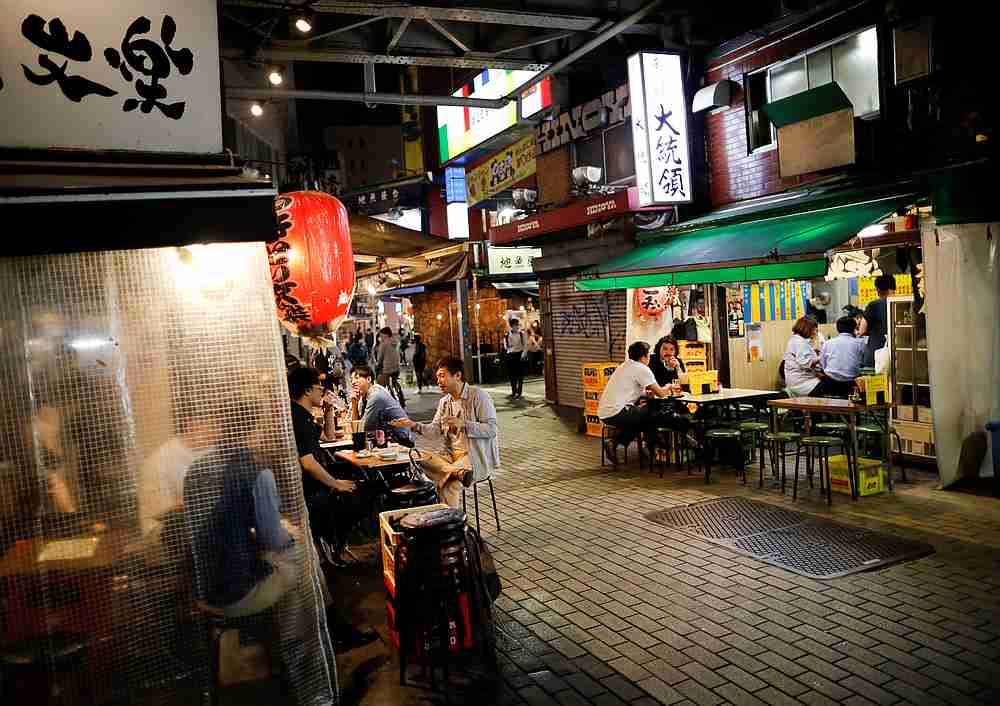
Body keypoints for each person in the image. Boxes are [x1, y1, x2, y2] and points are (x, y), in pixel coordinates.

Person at [183, 404, 376, 651]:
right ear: (253, 432)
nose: (272, 430)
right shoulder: (257, 473)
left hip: (204, 583)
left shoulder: (206, 465)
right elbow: (273, 539)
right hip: (237, 591)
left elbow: (231, 519)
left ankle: (322, 634)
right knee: (306, 562)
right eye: (266, 425)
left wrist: (275, 526)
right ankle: (307, 645)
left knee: (298, 560)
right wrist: (287, 533)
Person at [390, 356, 500, 508]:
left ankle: (450, 526)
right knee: (416, 455)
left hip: (473, 457)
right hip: (451, 457)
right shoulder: (445, 402)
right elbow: (435, 431)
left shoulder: (478, 396)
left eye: (442, 376)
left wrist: (464, 424)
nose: (438, 381)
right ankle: (455, 472)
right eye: (437, 377)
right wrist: (412, 425)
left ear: (458, 375)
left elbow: (492, 429)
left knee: (448, 485)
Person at [288, 367, 366, 565]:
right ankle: (334, 548)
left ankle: (334, 546)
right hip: (312, 492)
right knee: (359, 497)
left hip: (316, 484)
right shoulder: (297, 419)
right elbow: (308, 463)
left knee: (358, 479)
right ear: (306, 390)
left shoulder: (303, 415)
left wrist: (328, 409)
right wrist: (335, 484)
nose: (322, 390)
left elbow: (329, 437)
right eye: (318, 386)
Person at [137, 415, 219, 547]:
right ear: (191, 423)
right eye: (214, 423)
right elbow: (158, 518)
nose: (219, 430)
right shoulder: (159, 460)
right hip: (172, 539)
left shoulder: (216, 451)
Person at [597, 342, 674, 466]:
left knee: (642, 418)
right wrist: (669, 386)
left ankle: (642, 448)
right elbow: (661, 394)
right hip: (617, 412)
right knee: (653, 413)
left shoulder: (625, 365)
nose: (649, 357)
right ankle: (650, 446)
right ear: (643, 357)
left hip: (605, 412)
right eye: (648, 354)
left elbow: (631, 389)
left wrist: (645, 394)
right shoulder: (642, 368)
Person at [351, 365, 413, 446]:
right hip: (386, 438)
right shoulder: (364, 396)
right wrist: (354, 403)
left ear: (369, 379)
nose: (353, 382)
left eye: (357, 378)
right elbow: (356, 426)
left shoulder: (376, 396)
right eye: (351, 379)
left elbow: (363, 428)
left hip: (401, 441)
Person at [813, 315, 868, 398]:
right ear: (854, 328)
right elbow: (864, 362)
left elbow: (823, 364)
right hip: (852, 384)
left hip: (830, 382)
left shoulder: (828, 343)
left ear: (838, 329)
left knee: (813, 396)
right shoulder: (861, 343)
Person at [782, 317, 822, 397]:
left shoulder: (797, 340)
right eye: (814, 329)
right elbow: (806, 363)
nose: (815, 332)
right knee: (831, 387)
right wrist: (822, 357)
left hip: (798, 380)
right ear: (807, 329)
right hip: (802, 383)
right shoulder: (799, 342)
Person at [863, 273, 896, 367]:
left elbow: (862, 330)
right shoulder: (904, 303)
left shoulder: (874, 305)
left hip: (877, 356)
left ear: (878, 289)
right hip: (899, 354)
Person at [374, 327, 405, 408]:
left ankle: (386, 401)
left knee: (380, 385)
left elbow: (380, 358)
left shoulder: (384, 344)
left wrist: (377, 365)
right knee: (394, 381)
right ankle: (399, 393)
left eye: (382, 335)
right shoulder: (396, 342)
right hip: (397, 367)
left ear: (386, 334)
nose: (381, 337)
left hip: (387, 368)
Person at [503, 318, 527, 398]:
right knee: (512, 375)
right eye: (515, 325)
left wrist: (524, 354)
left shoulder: (521, 334)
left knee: (520, 375)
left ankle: (519, 392)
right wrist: (508, 348)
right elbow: (505, 346)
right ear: (511, 326)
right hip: (511, 355)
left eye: (517, 325)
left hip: (519, 355)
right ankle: (514, 391)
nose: (516, 327)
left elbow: (525, 345)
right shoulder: (507, 335)